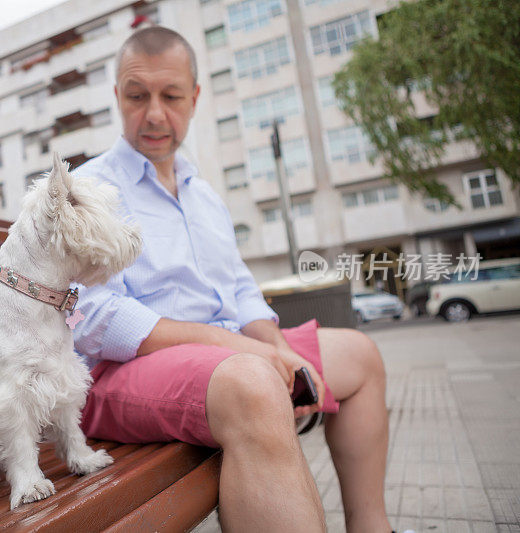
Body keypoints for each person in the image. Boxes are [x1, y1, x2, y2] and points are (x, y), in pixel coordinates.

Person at [71, 26, 391, 533]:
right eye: (137, 96)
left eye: (171, 96)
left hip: (226, 354)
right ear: (117, 97)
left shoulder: (204, 194)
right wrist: (238, 348)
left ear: (195, 98)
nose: (154, 114)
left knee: (360, 356)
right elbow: (91, 317)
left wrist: (272, 343)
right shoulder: (89, 189)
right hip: (117, 376)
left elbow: (239, 288)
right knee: (254, 382)